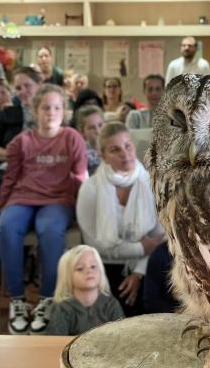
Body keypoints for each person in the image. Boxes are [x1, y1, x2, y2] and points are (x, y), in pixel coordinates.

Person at [0, 84, 87, 335]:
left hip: (58, 200)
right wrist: (0, 208)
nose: (51, 112)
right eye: (45, 107)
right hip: (23, 198)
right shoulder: (21, 141)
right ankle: (18, 300)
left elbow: (81, 178)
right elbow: (10, 178)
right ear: (35, 111)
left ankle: (48, 298)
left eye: (57, 107)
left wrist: (83, 215)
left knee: (49, 229)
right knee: (7, 226)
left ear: (64, 111)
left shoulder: (72, 138)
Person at [77, 122, 165, 316]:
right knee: (115, 314)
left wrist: (138, 272)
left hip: (144, 263)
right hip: (106, 263)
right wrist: (141, 247)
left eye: (128, 146)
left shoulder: (151, 183)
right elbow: (97, 245)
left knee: (152, 301)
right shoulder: (90, 190)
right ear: (103, 156)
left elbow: (160, 238)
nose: (125, 155)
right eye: (114, 150)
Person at [0, 67, 42, 206]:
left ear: (39, 86)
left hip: (41, 172)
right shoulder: (7, 113)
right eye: (18, 88)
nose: (22, 91)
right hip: (7, 170)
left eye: (27, 86)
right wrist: (13, 154)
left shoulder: (51, 114)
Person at [45, 245, 124, 336]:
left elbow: (123, 338)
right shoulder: (63, 309)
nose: (89, 271)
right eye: (80, 268)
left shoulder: (111, 304)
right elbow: (55, 344)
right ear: (67, 276)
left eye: (93, 266)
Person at [143, 242, 180, 314]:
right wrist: (177, 312)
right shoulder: (159, 255)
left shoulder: (203, 251)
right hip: (173, 317)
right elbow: (151, 301)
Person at [77, 105, 105, 176]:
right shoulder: (82, 153)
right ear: (83, 132)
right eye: (92, 128)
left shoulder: (114, 145)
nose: (98, 131)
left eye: (100, 125)